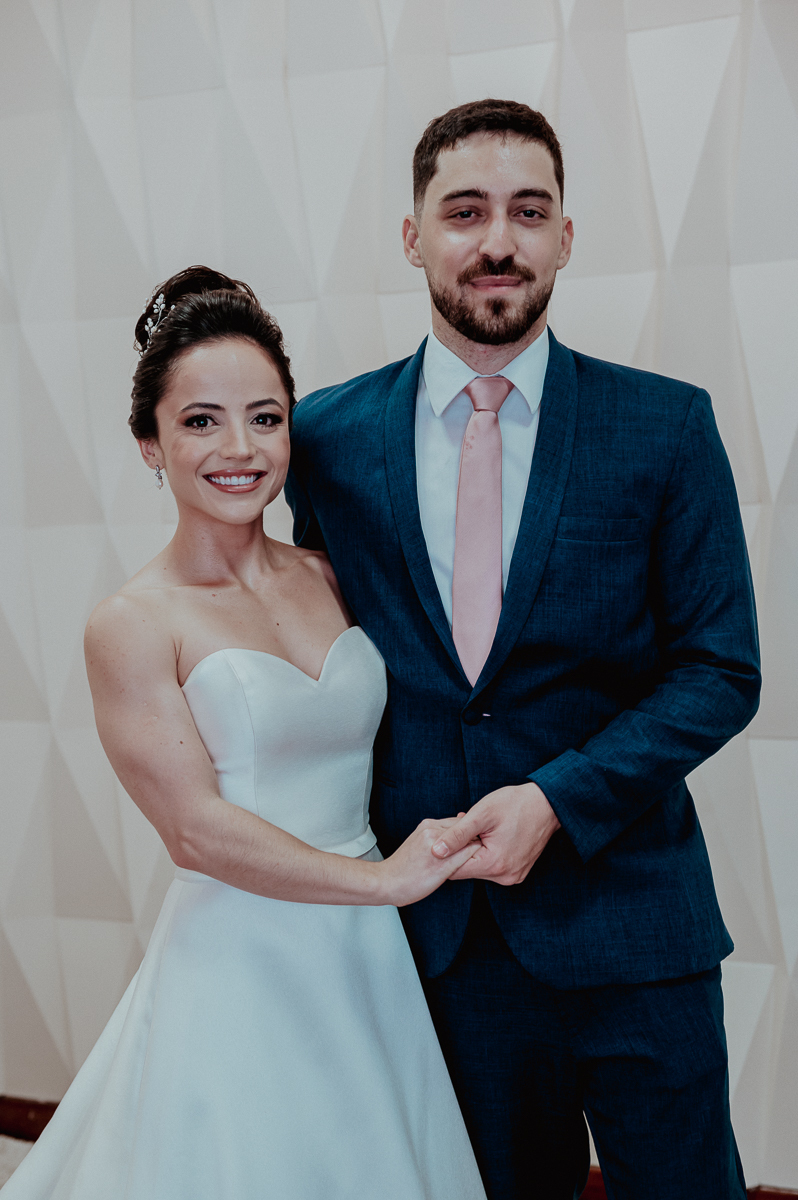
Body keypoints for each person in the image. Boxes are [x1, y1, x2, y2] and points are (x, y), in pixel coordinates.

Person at [285, 100, 762, 1200]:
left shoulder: (667, 426)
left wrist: (557, 798)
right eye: (464, 211)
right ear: (413, 237)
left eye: (527, 211)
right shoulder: (326, 440)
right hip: (446, 943)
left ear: (564, 236)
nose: (497, 241)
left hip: (637, 925)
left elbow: (720, 670)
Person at [0, 267, 488, 1200]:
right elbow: (194, 830)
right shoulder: (134, 621)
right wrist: (382, 880)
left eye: (265, 418)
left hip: (367, 954)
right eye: (200, 421)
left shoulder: (332, 575)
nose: (240, 448)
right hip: (241, 953)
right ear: (150, 443)